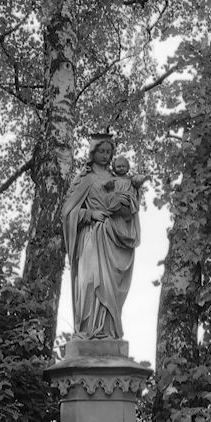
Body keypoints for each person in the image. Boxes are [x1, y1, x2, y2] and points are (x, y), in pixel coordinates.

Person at [62, 135, 142, 339]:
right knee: (89, 281)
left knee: (110, 288)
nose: (106, 156)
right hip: (91, 235)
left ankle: (107, 332)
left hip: (113, 237)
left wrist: (130, 198)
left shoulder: (119, 179)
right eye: (101, 151)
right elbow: (68, 213)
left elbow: (131, 207)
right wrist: (90, 214)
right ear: (92, 153)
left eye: (109, 152)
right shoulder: (85, 179)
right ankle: (87, 331)